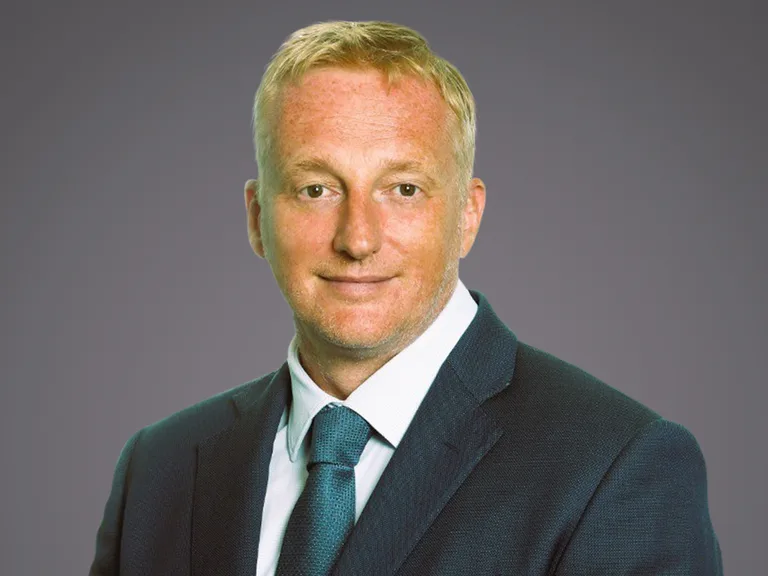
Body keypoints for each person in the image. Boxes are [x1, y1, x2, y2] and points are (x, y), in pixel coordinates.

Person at [89, 20, 723, 576]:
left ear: (468, 215)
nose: (358, 238)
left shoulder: (615, 468)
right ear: (257, 218)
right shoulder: (159, 469)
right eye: (316, 189)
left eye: (404, 190)